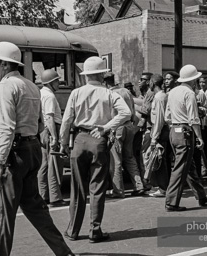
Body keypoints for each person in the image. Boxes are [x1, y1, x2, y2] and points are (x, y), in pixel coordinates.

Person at [0, 41, 73, 256]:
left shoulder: (6, 86)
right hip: (31, 149)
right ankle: (64, 252)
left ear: (5, 65)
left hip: (15, 155)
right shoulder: (30, 85)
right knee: (36, 209)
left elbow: (6, 128)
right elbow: (40, 122)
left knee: (4, 214)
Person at [59, 56, 131, 243]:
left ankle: (73, 230)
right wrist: (106, 127)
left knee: (78, 188)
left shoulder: (76, 93)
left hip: (80, 139)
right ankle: (95, 230)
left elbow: (67, 120)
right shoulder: (109, 94)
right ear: (101, 74)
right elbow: (126, 113)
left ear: (86, 75)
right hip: (99, 139)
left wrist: (63, 143)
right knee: (97, 187)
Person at [165, 64, 207, 211]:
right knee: (180, 168)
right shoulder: (190, 93)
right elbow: (193, 118)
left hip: (174, 130)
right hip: (185, 131)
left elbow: (167, 115)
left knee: (188, 165)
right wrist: (199, 137)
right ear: (193, 80)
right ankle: (171, 202)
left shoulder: (172, 92)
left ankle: (201, 195)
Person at [104, 72, 145, 198]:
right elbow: (132, 109)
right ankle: (139, 185)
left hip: (117, 128)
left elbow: (112, 114)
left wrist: (111, 130)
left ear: (105, 82)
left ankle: (118, 190)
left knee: (116, 160)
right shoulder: (126, 92)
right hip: (129, 126)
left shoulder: (110, 94)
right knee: (129, 157)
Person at [37, 69, 68, 207]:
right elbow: (49, 117)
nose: (59, 83)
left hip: (43, 131)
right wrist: (55, 137)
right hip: (51, 129)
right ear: (50, 83)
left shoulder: (40, 93)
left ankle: (43, 195)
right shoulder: (49, 96)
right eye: (56, 81)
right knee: (54, 164)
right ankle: (55, 197)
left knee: (44, 165)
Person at [147, 74, 171, 197]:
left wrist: (154, 137)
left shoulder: (159, 97)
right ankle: (163, 186)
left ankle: (163, 188)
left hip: (161, 132)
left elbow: (159, 119)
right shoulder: (162, 96)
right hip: (162, 131)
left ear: (153, 83)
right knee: (163, 159)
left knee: (160, 160)